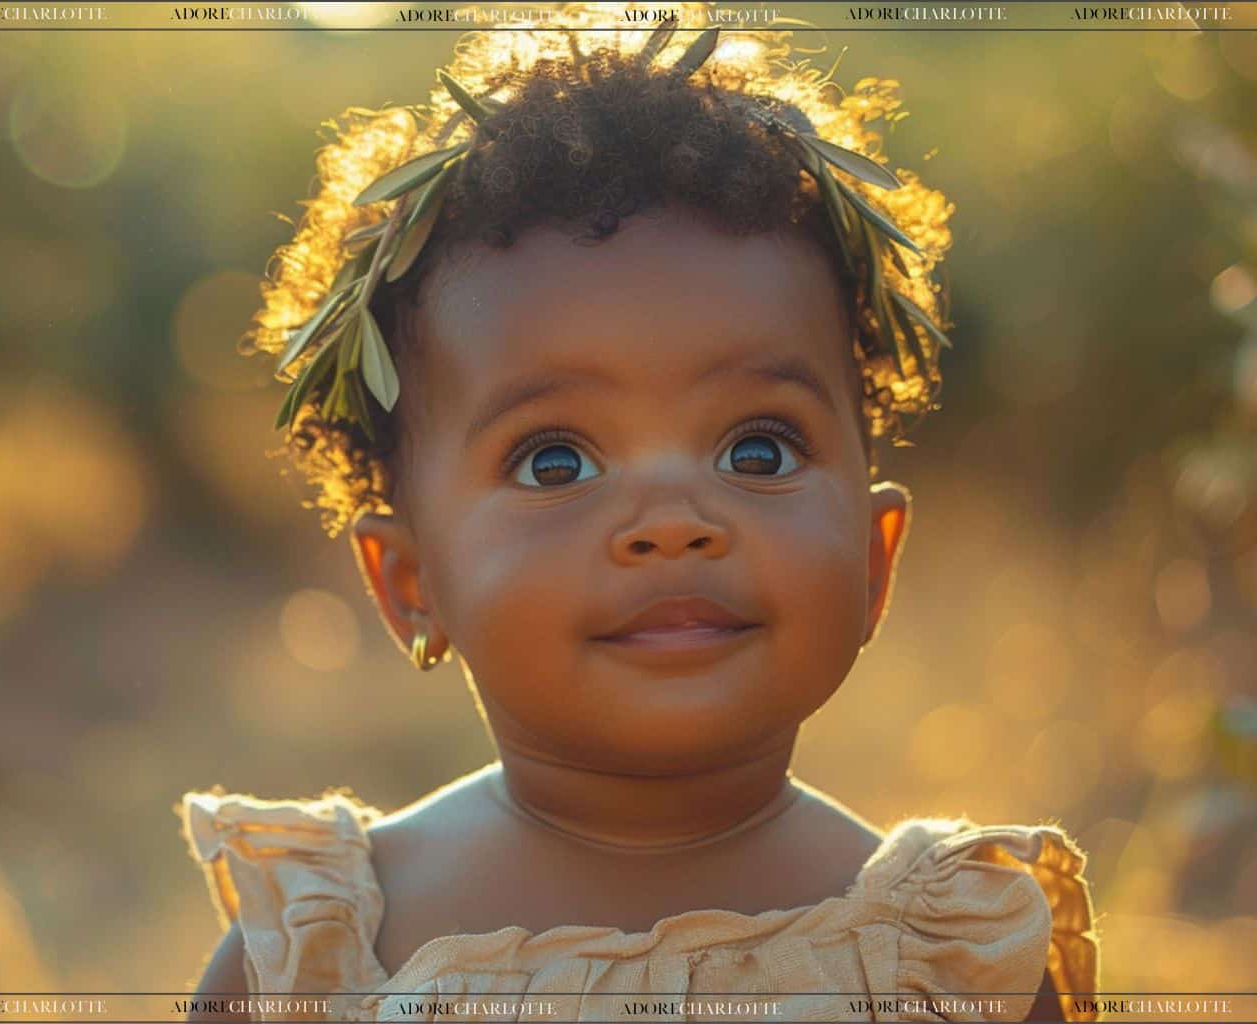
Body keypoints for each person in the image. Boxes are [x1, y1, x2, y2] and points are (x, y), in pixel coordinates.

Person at [177, 6, 1099, 1021]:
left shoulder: (950, 960)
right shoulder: (320, 953)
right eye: (555, 461)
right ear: (410, 584)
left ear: (875, 559)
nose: (671, 519)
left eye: (759, 448)